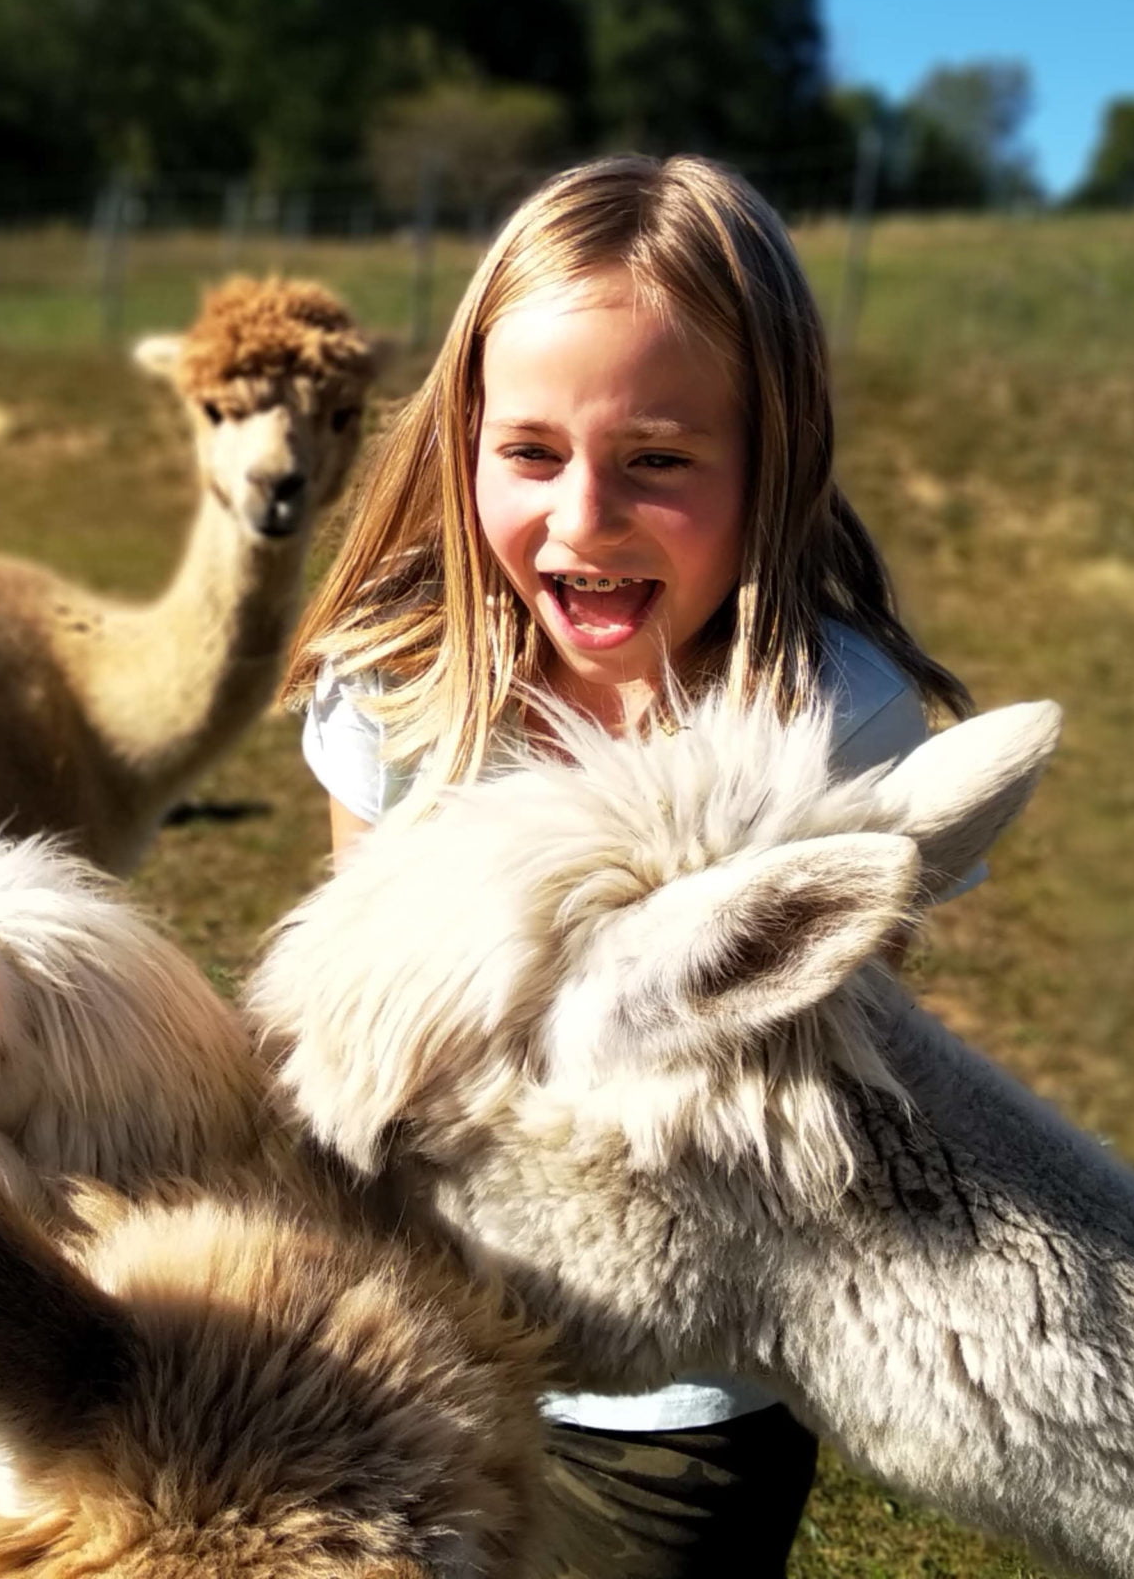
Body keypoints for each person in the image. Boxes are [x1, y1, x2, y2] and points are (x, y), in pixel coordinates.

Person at [287, 153, 973, 1578]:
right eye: (531, 453)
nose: (585, 517)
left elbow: (815, 1085)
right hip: (416, 1323)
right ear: (463, 440)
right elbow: (349, 1034)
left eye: (657, 460)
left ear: (770, 456)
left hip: (682, 1376)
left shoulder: (835, 727)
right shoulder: (406, 694)